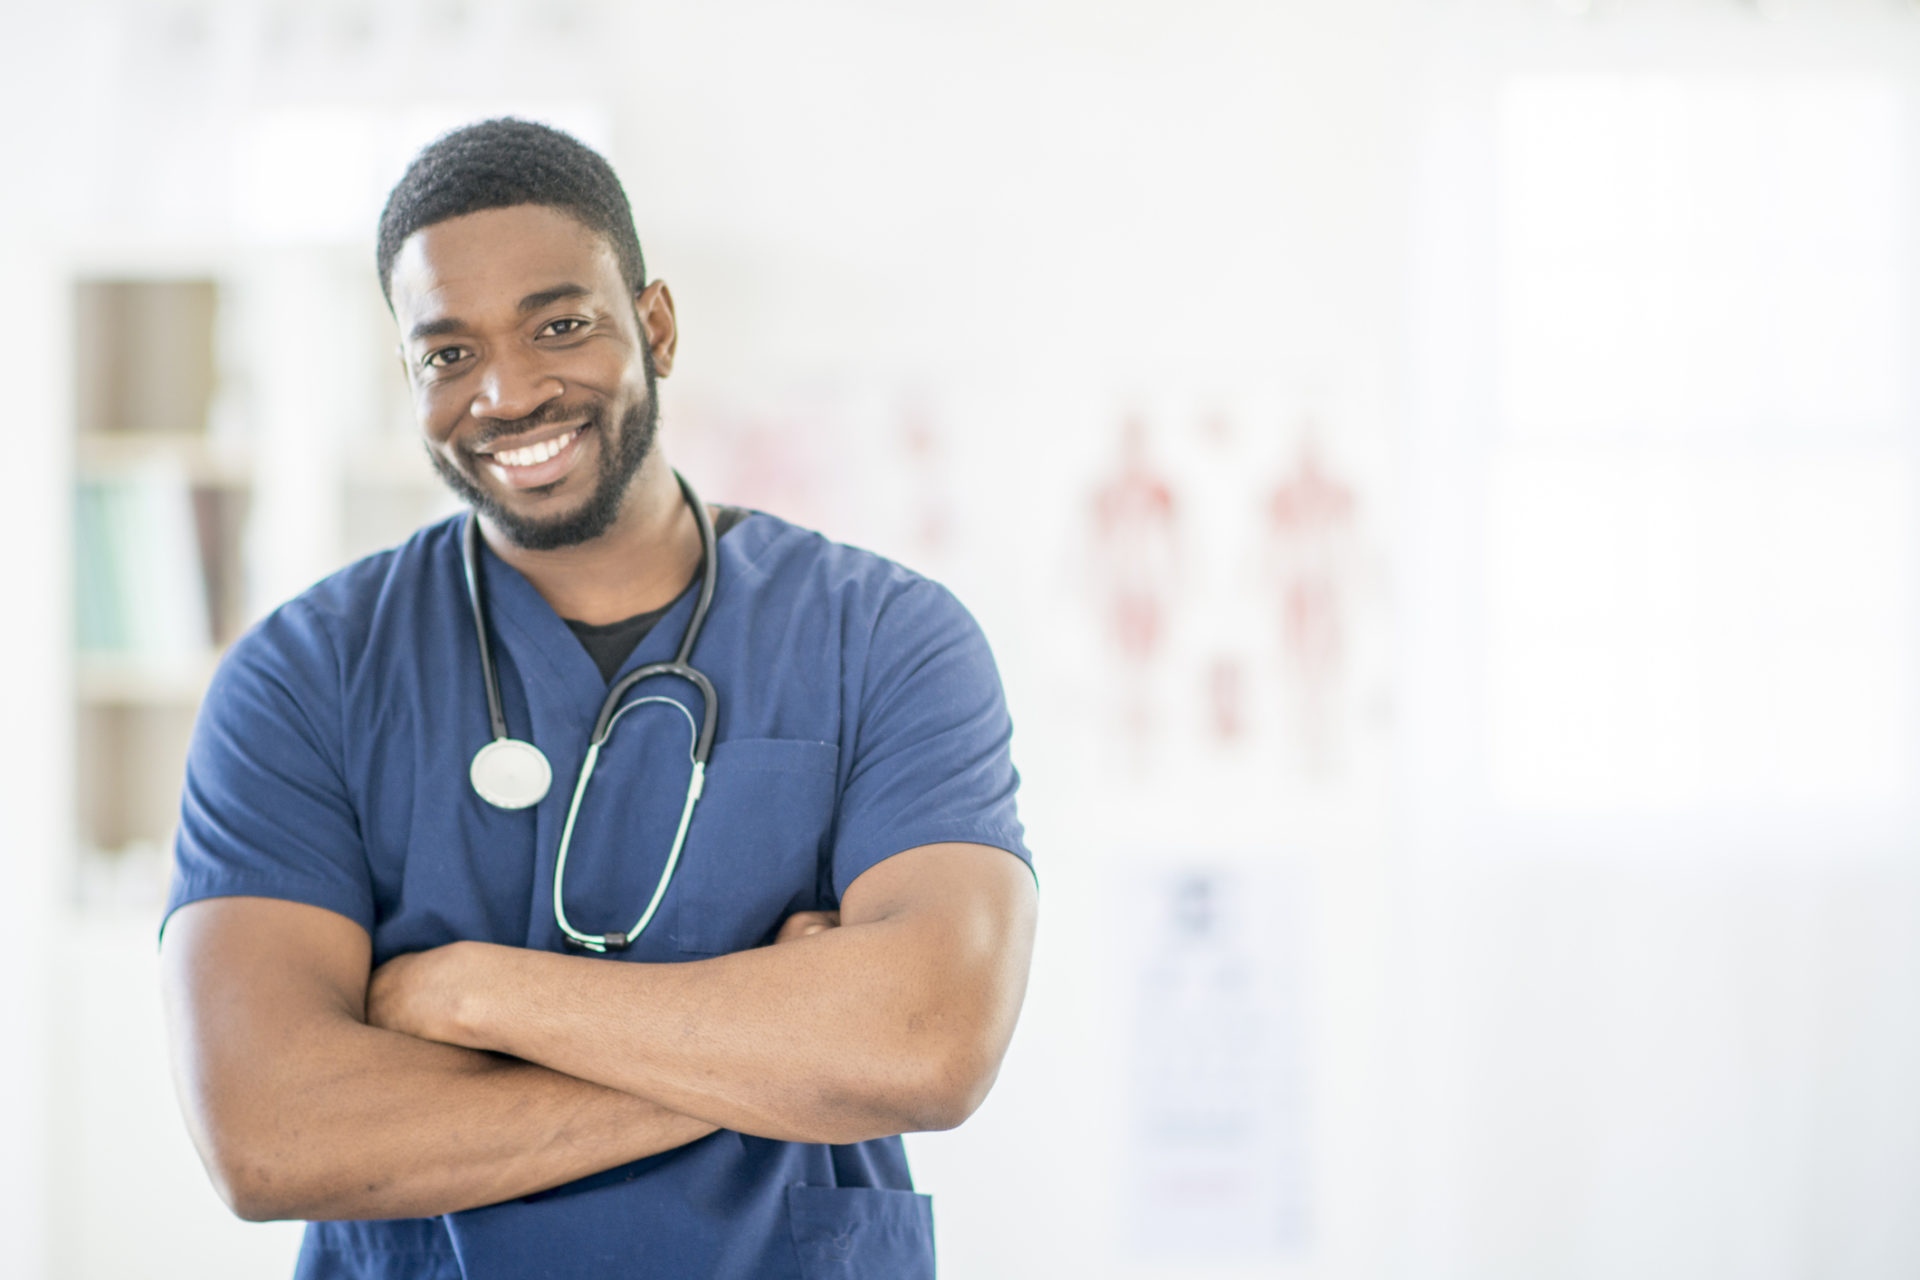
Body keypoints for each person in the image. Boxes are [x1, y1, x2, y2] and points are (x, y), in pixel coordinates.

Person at [158, 118, 1037, 1280]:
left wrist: (468, 993)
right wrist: (774, 1057)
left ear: (655, 326)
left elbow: (928, 1042)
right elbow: (266, 1132)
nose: (509, 391)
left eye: (559, 325)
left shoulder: (881, 638)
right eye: (448, 354)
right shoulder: (302, 677)